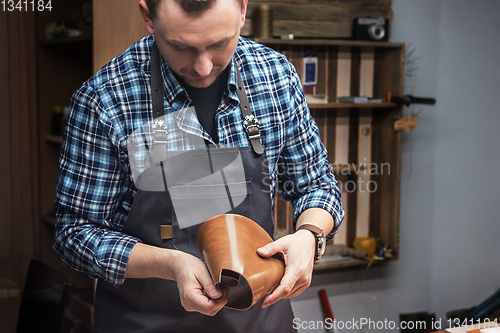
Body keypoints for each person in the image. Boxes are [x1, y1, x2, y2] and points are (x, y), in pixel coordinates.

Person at [53, 0, 344, 332]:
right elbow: (74, 235)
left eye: (220, 44)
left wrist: (310, 236)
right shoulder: (105, 99)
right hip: (148, 321)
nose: (204, 67)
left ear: (243, 10)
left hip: (260, 320)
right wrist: (171, 264)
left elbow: (317, 186)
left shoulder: (275, 76)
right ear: (149, 17)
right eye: (181, 47)